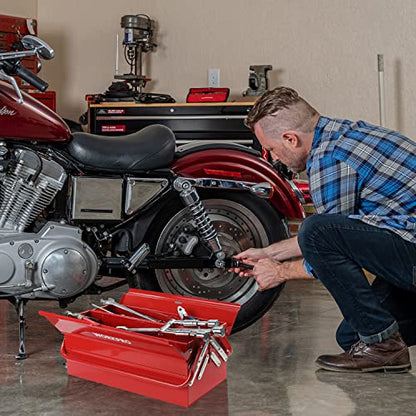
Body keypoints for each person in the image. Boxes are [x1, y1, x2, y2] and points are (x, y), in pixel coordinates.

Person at [233, 86, 416, 373]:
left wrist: (280, 273)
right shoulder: (342, 135)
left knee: (315, 230)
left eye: (271, 150)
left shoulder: (329, 160)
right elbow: (338, 238)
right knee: (353, 336)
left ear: (291, 139)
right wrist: (268, 252)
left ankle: (384, 347)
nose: (274, 158)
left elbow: (323, 242)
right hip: (408, 244)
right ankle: (382, 346)